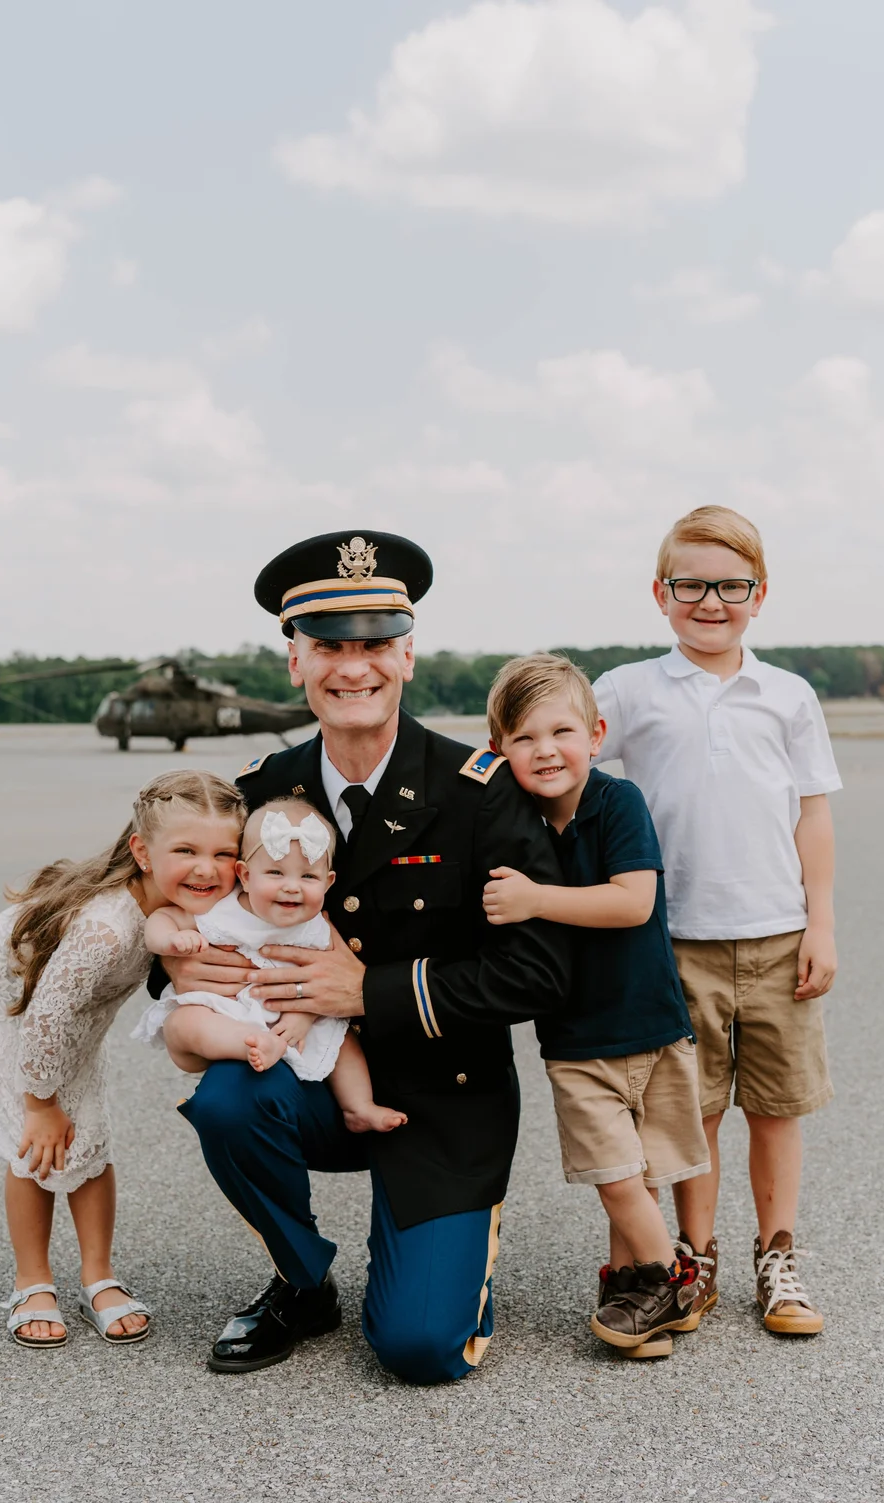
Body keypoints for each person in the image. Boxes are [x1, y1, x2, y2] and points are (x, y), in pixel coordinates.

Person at [153, 529, 572, 1382]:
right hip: (307, 1077)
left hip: (442, 1094)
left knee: (419, 1350)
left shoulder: (476, 791)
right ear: (294, 663)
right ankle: (301, 1282)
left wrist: (368, 990)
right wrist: (176, 959)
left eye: (376, 644)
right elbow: (173, 886)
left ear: (409, 656)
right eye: (329, 647)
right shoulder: (260, 789)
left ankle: (448, 1259)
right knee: (230, 1100)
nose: (354, 667)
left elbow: (542, 968)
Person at [592, 506, 841, 1335]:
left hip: (778, 933)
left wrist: (823, 923)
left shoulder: (788, 695)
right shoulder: (630, 689)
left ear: (759, 594)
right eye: (691, 584)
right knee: (690, 1111)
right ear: (660, 593)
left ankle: (778, 1255)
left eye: (730, 585)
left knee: (777, 1105)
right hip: (674, 939)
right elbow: (558, 754)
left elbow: (811, 816)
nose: (711, 601)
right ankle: (694, 1256)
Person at [0, 769, 245, 1348]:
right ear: (142, 851)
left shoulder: (183, 900)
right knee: (38, 1144)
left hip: (67, 1007)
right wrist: (39, 1105)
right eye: (185, 850)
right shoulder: (107, 930)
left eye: (223, 852)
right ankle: (31, 1281)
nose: (207, 868)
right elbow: (47, 1016)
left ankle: (97, 1275)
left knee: (91, 1135)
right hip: (12, 994)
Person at [482, 652, 709, 1358]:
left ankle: (642, 1291)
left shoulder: (617, 802)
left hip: (651, 1025)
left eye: (561, 731)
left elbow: (633, 900)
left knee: (642, 1172)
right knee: (615, 1178)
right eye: (523, 737)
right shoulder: (511, 824)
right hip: (577, 1043)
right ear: (499, 750)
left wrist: (534, 898)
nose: (545, 749)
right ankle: (675, 1283)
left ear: (596, 733)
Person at [134, 795, 406, 1133]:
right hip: (228, 1013)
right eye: (275, 872)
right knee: (184, 1022)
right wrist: (170, 943)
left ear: (328, 883)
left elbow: (331, 983)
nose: (291, 887)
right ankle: (247, 1041)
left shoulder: (318, 928)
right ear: (245, 876)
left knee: (343, 1041)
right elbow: (163, 918)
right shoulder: (224, 910)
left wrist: (303, 1016)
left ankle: (359, 1107)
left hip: (296, 1018)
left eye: (308, 877)